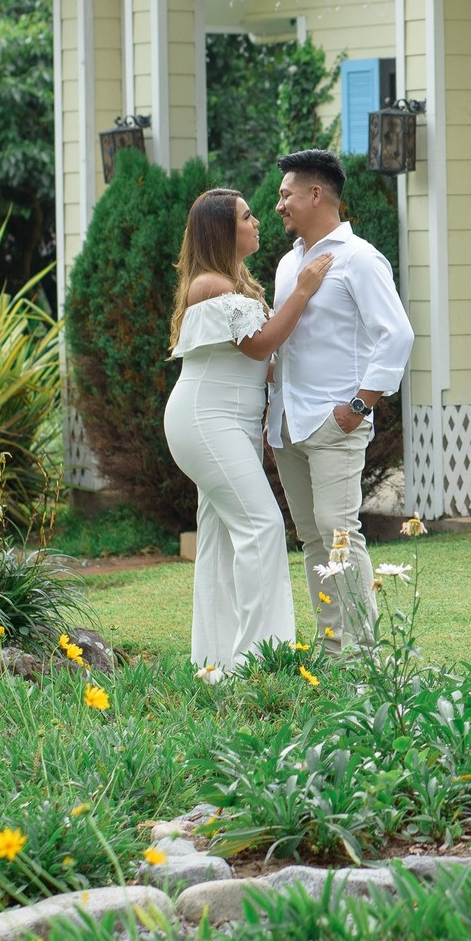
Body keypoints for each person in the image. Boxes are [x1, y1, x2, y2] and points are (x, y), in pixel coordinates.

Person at [162, 188, 332, 671]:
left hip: (227, 424)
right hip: (205, 420)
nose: (257, 221)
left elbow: (261, 364)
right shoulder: (211, 285)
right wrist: (303, 290)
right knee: (262, 526)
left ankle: (216, 664)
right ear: (222, 229)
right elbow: (259, 347)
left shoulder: (232, 284)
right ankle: (261, 659)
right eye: (246, 216)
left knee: (219, 541)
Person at [266, 148, 414, 655]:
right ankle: (333, 648)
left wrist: (358, 405)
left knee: (339, 535)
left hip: (335, 422)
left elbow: (396, 335)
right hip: (288, 424)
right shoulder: (289, 264)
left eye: (286, 195)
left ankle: (364, 653)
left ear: (315, 194)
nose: (278, 205)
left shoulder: (360, 258)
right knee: (312, 540)